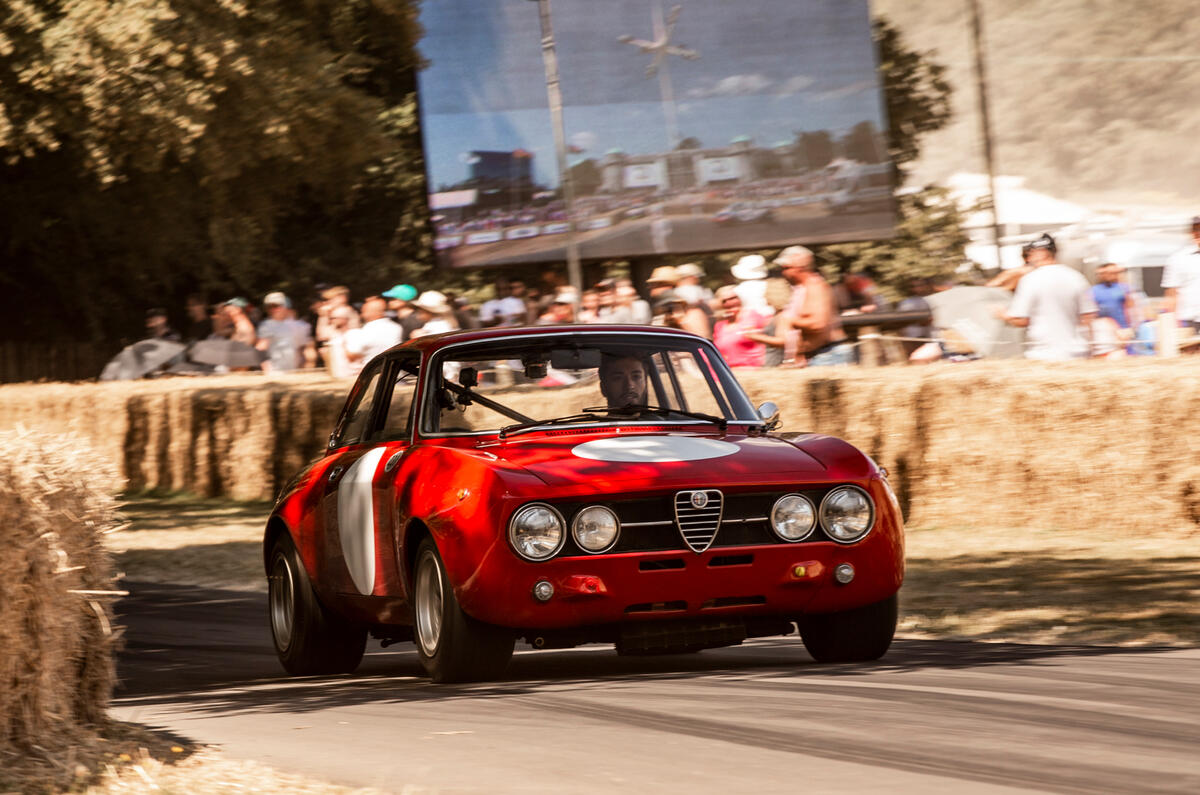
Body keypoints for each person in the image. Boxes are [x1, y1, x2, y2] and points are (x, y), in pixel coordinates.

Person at [1001, 233, 1097, 360]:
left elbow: (1022, 320)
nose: (1027, 259)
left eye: (1029, 254)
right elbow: (1088, 317)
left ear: (1041, 253)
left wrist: (1003, 315)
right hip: (1077, 352)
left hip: (1044, 353)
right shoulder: (1076, 277)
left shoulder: (1029, 280)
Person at [775, 245, 853, 366]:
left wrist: (789, 321)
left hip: (829, 355)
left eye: (786, 268)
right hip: (820, 355)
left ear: (800, 267)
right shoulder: (801, 288)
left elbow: (818, 324)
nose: (783, 272)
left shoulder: (815, 287)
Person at [712, 285, 772, 367]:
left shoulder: (752, 316)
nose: (730, 302)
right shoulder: (719, 325)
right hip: (731, 371)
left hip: (754, 370)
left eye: (733, 298)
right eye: (724, 301)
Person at [255, 292, 312, 373]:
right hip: (276, 372)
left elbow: (302, 350)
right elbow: (260, 349)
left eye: (276, 306)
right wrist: (268, 370)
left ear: (285, 306)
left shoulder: (298, 325)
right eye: (269, 307)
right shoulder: (267, 325)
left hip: (295, 372)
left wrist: (304, 369)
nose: (272, 310)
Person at [343, 295, 402, 370]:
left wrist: (345, 340)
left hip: (374, 375)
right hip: (395, 373)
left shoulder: (366, 331)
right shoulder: (397, 327)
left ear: (372, 312)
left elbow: (351, 356)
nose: (362, 314)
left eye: (364, 311)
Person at [1163, 216, 1200, 332]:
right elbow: (1171, 295)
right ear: (1192, 233)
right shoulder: (1178, 259)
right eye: (1196, 229)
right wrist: (1172, 325)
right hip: (1189, 321)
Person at [1092, 263, 1134, 330]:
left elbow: (1131, 308)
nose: (1109, 275)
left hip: (1123, 328)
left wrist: (1132, 327)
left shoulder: (1124, 288)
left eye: (1113, 273)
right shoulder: (1094, 290)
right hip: (1104, 329)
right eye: (1104, 273)